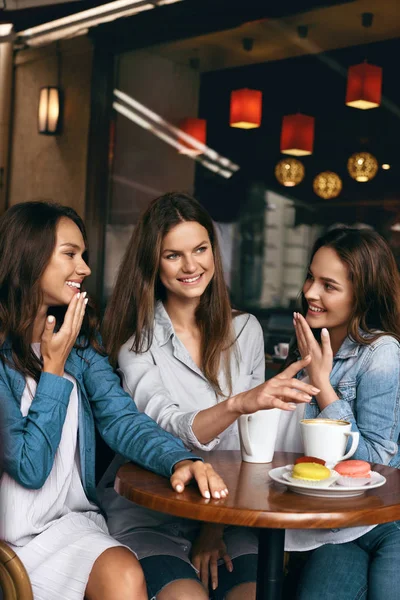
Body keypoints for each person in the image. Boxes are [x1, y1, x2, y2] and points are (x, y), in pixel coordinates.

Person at [0, 201, 229, 600]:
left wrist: (180, 459)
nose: (85, 268)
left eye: (83, 255)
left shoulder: (81, 347)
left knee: (124, 572)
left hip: (71, 523)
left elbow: (123, 419)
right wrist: (52, 372)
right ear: (28, 258)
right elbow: (29, 467)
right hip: (10, 535)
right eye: (70, 254)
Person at [100, 191, 319, 600]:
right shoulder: (136, 345)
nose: (191, 266)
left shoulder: (246, 331)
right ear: (153, 262)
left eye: (200, 249)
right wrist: (239, 403)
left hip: (230, 517)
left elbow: (247, 448)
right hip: (153, 517)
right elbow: (166, 426)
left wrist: (213, 526)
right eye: (173, 255)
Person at [276, 227, 400, 600]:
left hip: (386, 518)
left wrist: (323, 384)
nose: (310, 292)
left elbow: (377, 463)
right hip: (334, 523)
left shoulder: (381, 352)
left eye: (328, 286)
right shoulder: (307, 346)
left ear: (361, 295)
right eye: (311, 277)